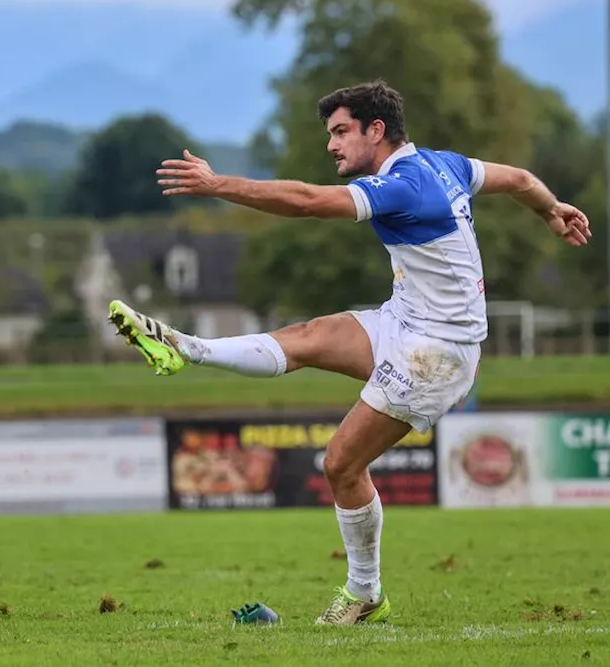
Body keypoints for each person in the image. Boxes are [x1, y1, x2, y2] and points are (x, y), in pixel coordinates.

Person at [107, 80, 591, 626]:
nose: (332, 145)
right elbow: (521, 179)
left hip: (438, 353)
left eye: (341, 132)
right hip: (405, 321)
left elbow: (311, 203)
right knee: (312, 336)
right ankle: (183, 348)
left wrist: (219, 184)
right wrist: (552, 211)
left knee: (340, 463)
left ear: (375, 131)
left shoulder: (405, 186)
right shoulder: (445, 165)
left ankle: (365, 594)